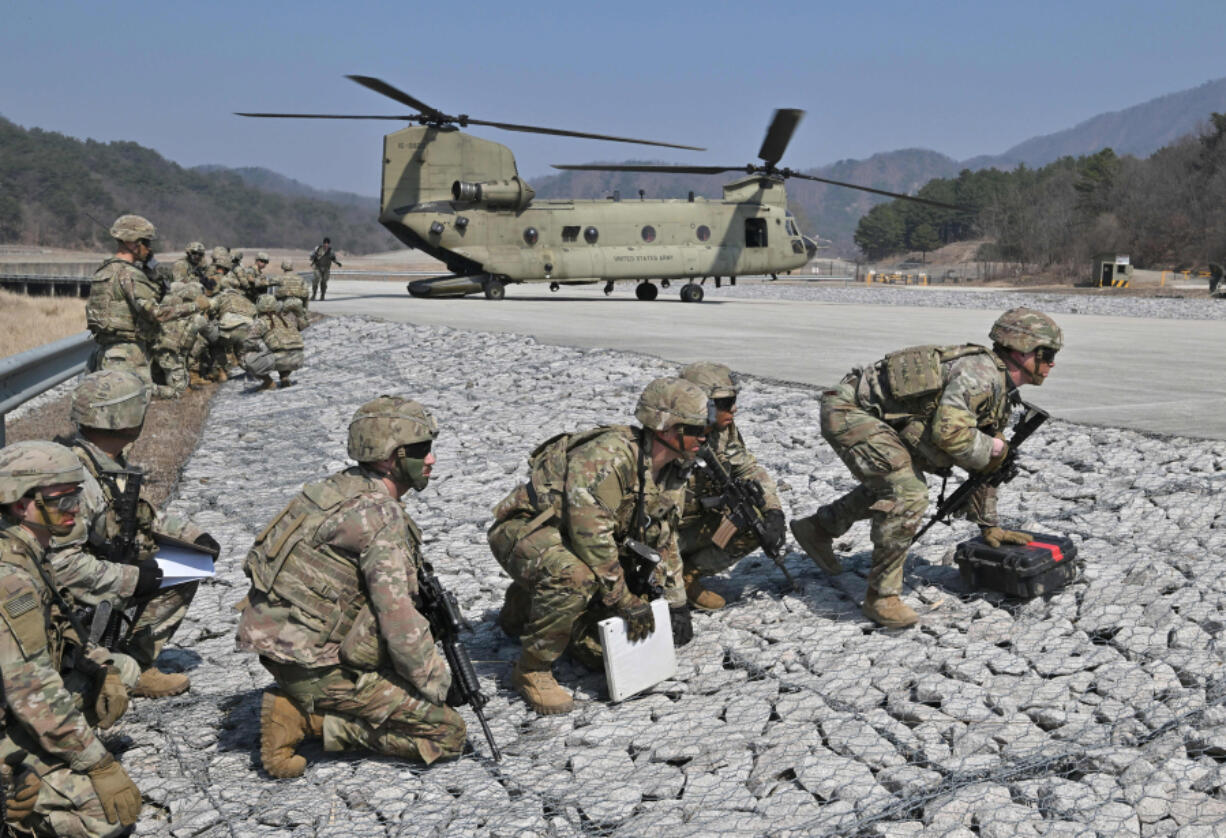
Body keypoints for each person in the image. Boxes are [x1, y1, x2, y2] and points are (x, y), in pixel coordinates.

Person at [790, 307, 1064, 629]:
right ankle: (881, 597)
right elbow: (951, 434)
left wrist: (989, 525)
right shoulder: (981, 375)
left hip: (885, 418)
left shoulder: (999, 385)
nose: (1052, 364)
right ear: (1021, 350)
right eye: (1046, 354)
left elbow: (986, 462)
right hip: (849, 410)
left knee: (895, 481)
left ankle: (818, 529)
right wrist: (993, 448)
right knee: (908, 490)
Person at [236, 396, 466, 777]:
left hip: (281, 647)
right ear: (391, 458)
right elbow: (398, 617)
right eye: (422, 450)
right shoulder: (378, 515)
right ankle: (303, 719)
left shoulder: (336, 489)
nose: (431, 460)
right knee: (447, 733)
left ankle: (307, 698)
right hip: (314, 668)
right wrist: (436, 681)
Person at [487, 377, 710, 715]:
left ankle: (522, 608)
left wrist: (676, 603)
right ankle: (533, 670)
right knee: (574, 579)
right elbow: (593, 541)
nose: (703, 437)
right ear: (666, 428)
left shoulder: (671, 469)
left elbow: (663, 536)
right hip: (526, 532)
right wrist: (624, 601)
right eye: (695, 429)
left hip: (570, 540)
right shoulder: (606, 458)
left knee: (596, 654)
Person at [0, 441, 143, 836]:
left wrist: (101, 665)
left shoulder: (27, 547)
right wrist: (98, 763)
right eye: (62, 500)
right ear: (19, 504)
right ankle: (13, 813)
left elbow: (60, 627)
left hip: (16, 700)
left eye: (76, 496)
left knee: (123, 669)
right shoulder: (11, 580)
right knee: (107, 818)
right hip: (13, 710)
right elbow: (32, 689)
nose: (75, 509)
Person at [50, 370, 217, 697]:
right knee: (160, 573)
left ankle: (131, 660)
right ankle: (112, 663)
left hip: (97, 572)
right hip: (67, 600)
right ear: (124, 418)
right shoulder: (76, 479)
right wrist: (132, 579)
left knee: (188, 562)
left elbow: (136, 514)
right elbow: (61, 567)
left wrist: (193, 536)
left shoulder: (101, 461)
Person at [675, 362, 785, 611]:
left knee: (754, 522)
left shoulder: (723, 431)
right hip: (662, 532)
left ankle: (688, 576)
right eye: (725, 403)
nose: (733, 409)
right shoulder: (669, 436)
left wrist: (773, 510)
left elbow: (747, 468)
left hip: (695, 521)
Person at [85, 214, 200, 389]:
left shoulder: (102, 271)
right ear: (132, 243)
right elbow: (156, 312)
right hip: (128, 355)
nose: (148, 248)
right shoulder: (130, 274)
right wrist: (196, 305)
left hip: (103, 353)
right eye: (146, 242)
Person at [241, 295, 304, 390]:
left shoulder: (261, 321)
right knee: (282, 350)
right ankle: (284, 377)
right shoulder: (287, 319)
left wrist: (253, 350)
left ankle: (268, 382)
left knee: (246, 358)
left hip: (280, 359)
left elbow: (248, 341)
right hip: (299, 359)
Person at [309, 237, 341, 301]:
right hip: (317, 267)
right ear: (323, 243)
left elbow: (333, 258)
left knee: (324, 282)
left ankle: (322, 295)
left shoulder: (330, 251)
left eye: (327, 243)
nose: (326, 244)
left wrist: (337, 263)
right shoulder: (318, 249)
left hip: (326, 268)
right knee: (316, 280)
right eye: (325, 243)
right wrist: (314, 257)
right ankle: (314, 295)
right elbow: (311, 255)